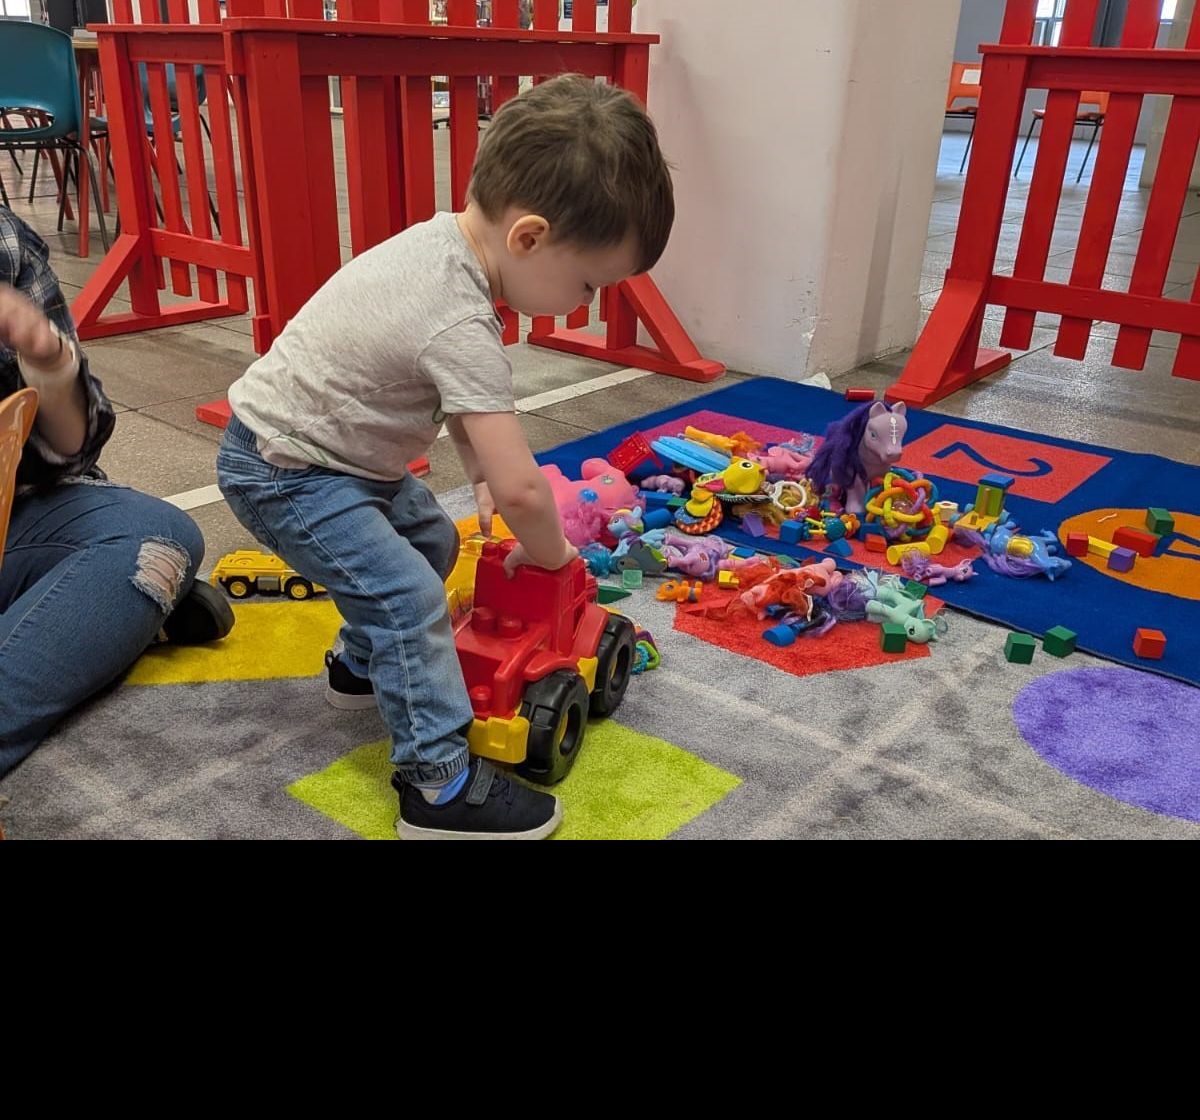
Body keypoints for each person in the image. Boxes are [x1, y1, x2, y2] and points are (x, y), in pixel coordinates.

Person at [216, 74, 674, 839]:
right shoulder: (457, 318)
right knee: (406, 596)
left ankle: (358, 664)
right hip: (285, 472)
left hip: (332, 456)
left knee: (432, 540)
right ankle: (436, 784)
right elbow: (527, 490)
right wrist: (557, 558)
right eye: (588, 282)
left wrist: (476, 478)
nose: (587, 304)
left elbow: (458, 410)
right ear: (529, 237)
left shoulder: (444, 244)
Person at [0, 206, 233, 780]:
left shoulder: (5, 242)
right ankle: (90, 632)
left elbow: (75, 453)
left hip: (16, 513)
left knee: (155, 539)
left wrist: (51, 366)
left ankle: (82, 625)